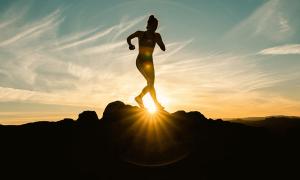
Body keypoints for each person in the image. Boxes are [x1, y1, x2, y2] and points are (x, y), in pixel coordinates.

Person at [127, 15, 166, 110]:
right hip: (140, 61)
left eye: (156, 26)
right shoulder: (140, 33)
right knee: (150, 83)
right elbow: (128, 38)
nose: (155, 27)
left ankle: (140, 98)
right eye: (154, 25)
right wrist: (130, 45)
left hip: (149, 63)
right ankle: (152, 103)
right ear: (149, 25)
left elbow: (163, 48)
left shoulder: (157, 36)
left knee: (151, 84)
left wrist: (160, 42)